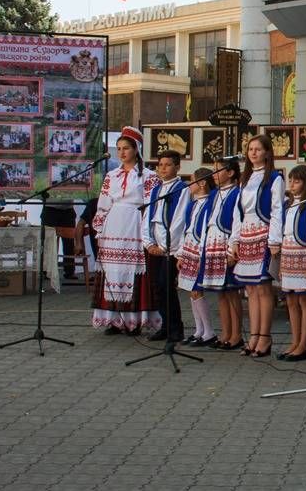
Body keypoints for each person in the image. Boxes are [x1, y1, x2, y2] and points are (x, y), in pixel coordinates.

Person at [90, 126, 161, 335]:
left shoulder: (148, 176)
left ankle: (134, 321)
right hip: (113, 225)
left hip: (134, 225)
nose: (121, 153)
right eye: (119, 149)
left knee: (133, 272)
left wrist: (148, 231)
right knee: (112, 271)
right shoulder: (111, 175)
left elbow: (152, 204)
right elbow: (103, 202)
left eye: (126, 148)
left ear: (136, 150)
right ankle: (114, 319)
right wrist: (100, 228)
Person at [229, 135, 284, 358]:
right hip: (246, 233)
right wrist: (234, 241)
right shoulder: (245, 179)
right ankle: (253, 335)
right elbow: (237, 213)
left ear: (267, 153)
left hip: (263, 233)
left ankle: (265, 336)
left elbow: (277, 209)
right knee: (250, 289)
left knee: (263, 288)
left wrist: (274, 240)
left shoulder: (274, 178)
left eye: (258, 149)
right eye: (250, 149)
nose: (253, 153)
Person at [141, 150, 190, 342]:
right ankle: (165, 325)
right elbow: (147, 218)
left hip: (170, 247)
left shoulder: (182, 189)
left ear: (177, 166)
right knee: (158, 287)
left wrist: (169, 247)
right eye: (160, 165)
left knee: (167, 286)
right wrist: (149, 243)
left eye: (167, 164)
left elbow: (179, 220)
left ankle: (176, 328)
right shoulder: (156, 189)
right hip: (156, 247)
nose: (162, 168)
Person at [200, 158, 243, 350]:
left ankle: (237, 334)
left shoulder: (237, 192)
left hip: (226, 242)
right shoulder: (214, 194)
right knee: (220, 293)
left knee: (232, 291)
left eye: (218, 170)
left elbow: (237, 221)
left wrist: (233, 247)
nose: (214, 174)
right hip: (213, 242)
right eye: (213, 170)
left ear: (231, 172)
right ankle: (225, 332)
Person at [279, 165, 306, 362]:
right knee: (290, 301)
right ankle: (294, 342)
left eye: (297, 181)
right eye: (291, 181)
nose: (292, 185)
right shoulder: (288, 204)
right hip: (288, 253)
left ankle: (303, 344)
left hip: (303, 254)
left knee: (304, 300)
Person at [176, 167, 218, 347]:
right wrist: (180, 254)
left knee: (196, 290)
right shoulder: (193, 204)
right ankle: (198, 330)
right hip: (189, 249)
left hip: (199, 250)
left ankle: (209, 331)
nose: (188, 185)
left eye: (192, 181)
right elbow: (187, 228)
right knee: (191, 291)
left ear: (201, 183)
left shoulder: (209, 203)